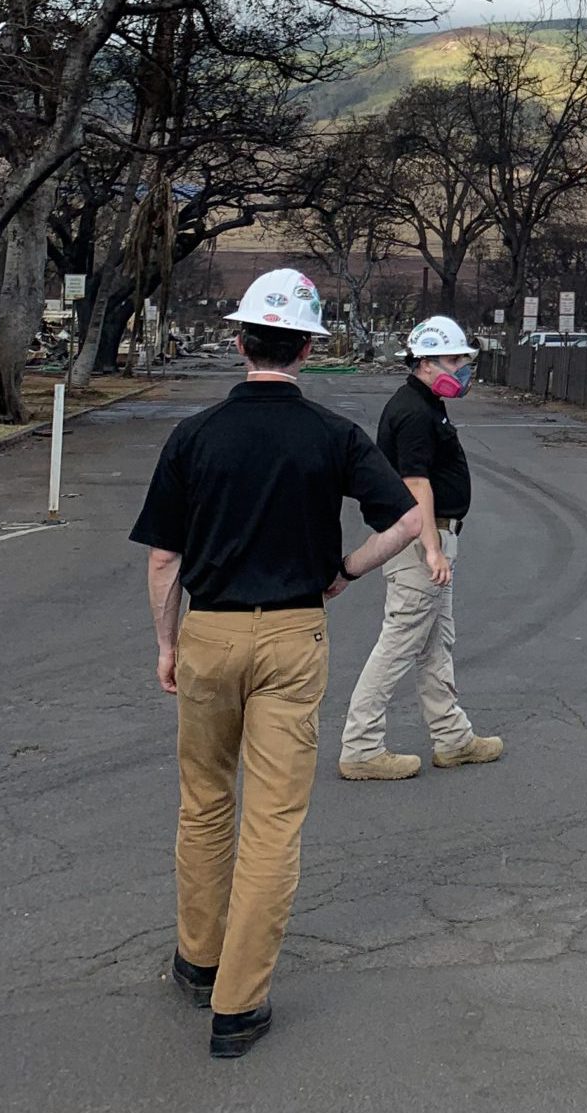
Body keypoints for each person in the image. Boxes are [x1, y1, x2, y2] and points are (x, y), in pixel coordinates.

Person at [131, 269, 426, 1058]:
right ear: (306, 347)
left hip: (211, 631)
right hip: (294, 633)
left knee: (203, 803)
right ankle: (239, 1002)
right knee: (272, 821)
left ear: (239, 341)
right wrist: (349, 569)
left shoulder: (194, 436)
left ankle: (197, 960)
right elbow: (403, 518)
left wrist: (167, 643)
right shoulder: (332, 434)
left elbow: (166, 559)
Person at [338, 316, 504, 780]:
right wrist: (432, 549)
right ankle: (361, 745)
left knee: (435, 644)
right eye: (454, 361)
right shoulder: (413, 411)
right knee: (399, 644)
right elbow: (415, 483)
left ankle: (452, 737)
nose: (463, 370)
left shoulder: (427, 404)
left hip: (434, 539)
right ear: (426, 363)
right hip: (420, 543)